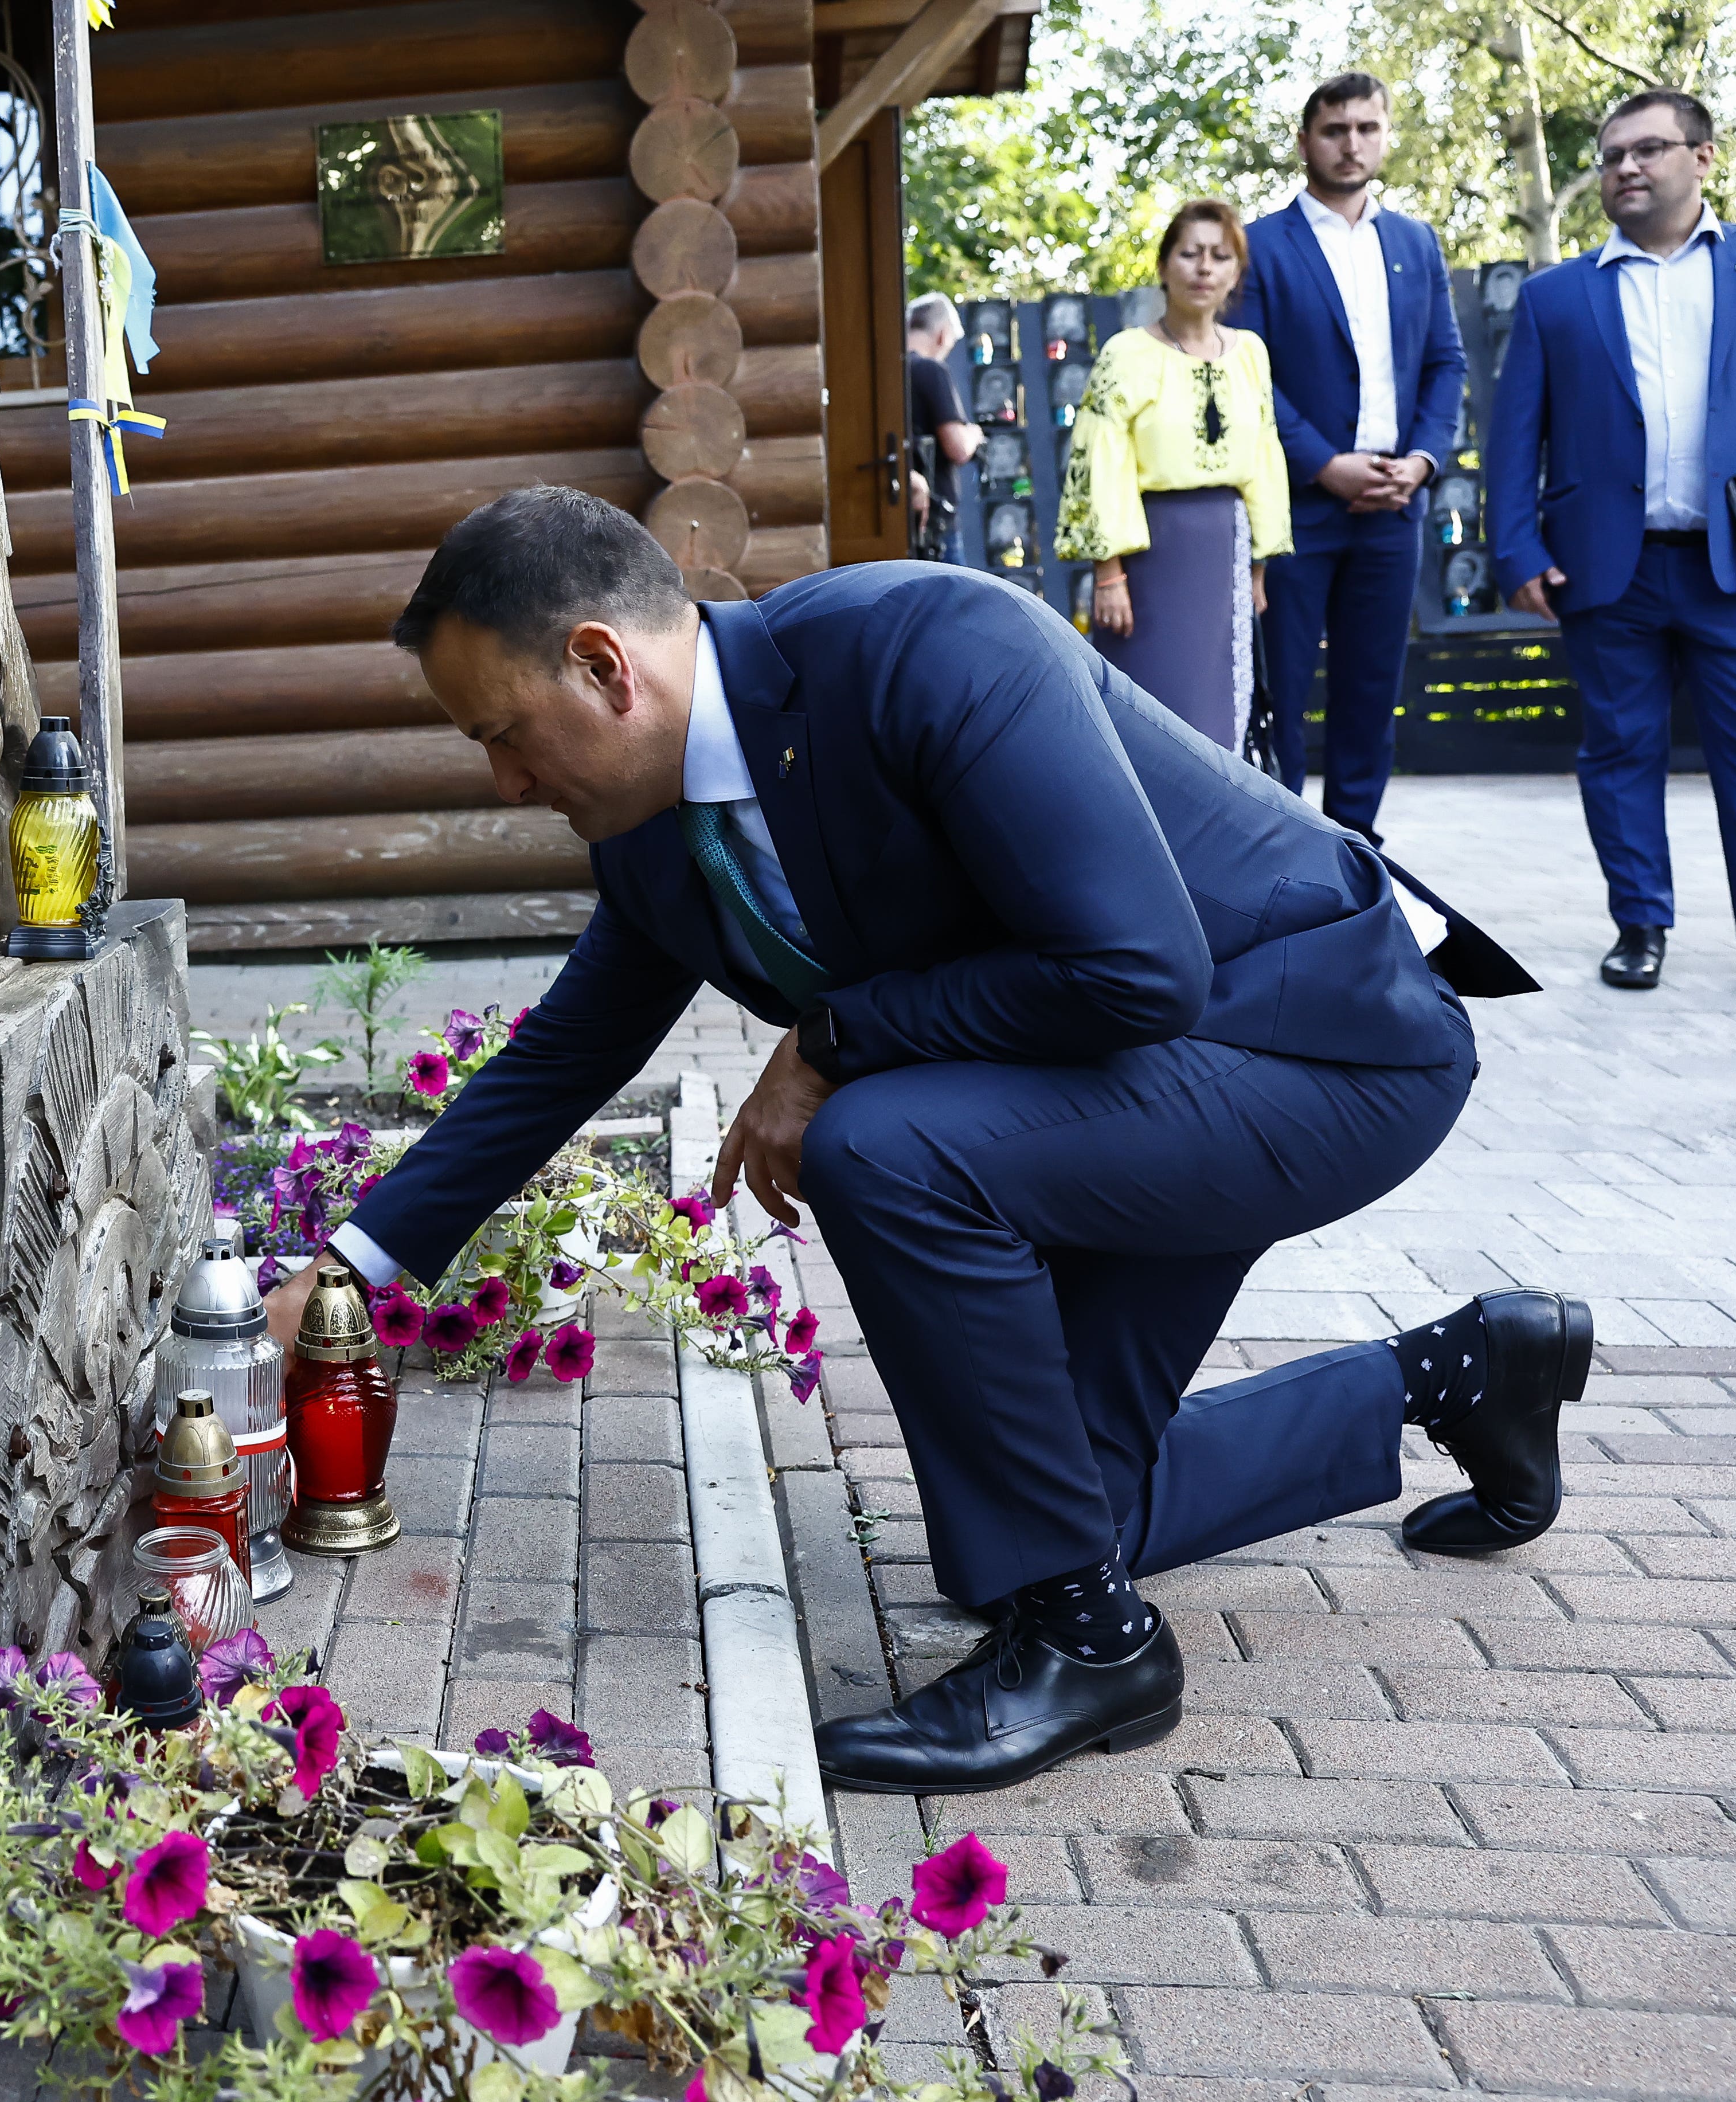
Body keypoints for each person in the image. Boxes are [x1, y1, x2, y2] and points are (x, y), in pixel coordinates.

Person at [264, 486, 1578, 1796]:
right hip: (1142, 1077)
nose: (502, 779)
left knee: (885, 1147)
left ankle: (1088, 1644)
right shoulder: (653, 835)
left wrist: (830, 1039)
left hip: (1319, 1038)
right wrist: (350, 1277)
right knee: (1055, 1512)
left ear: (604, 664)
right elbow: (564, 1053)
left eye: (501, 733)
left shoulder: (920, 645)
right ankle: (1465, 1369)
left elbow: (1138, 969)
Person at [1487, 88, 1736, 995]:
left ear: (1703, 158)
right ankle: (1640, 924)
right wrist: (1514, 550)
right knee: (1620, 748)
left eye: (1648, 150)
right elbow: (1517, 436)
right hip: (1604, 565)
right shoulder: (1556, 296)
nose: (1626, 167)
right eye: (1611, 155)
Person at [1230, 72, 1467, 846]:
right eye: (1335, 130)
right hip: (1300, 505)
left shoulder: (1415, 242)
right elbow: (1248, 375)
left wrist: (1425, 459)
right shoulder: (1260, 246)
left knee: (1372, 687)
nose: (1351, 142)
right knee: (1285, 685)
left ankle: (1359, 845)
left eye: (1367, 127)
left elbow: (1446, 363)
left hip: (1397, 502)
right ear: (1305, 142)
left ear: (1384, 135)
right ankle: (1286, 844)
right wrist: (1325, 464)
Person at [1058, 201, 1296, 750]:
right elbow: (1101, 461)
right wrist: (1109, 572)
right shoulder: (1126, 354)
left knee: (1219, 712)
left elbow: (1264, 455)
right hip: (1149, 554)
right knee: (1147, 712)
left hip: (1226, 548)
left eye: (1220, 256)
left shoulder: (1251, 355)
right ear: (1164, 266)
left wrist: (1259, 563)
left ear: (1236, 272)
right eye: (1190, 254)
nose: (1204, 268)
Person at [906, 293, 982, 561]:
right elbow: (958, 448)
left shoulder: (888, 371)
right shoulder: (931, 370)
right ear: (942, 334)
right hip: (936, 526)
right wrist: (974, 435)